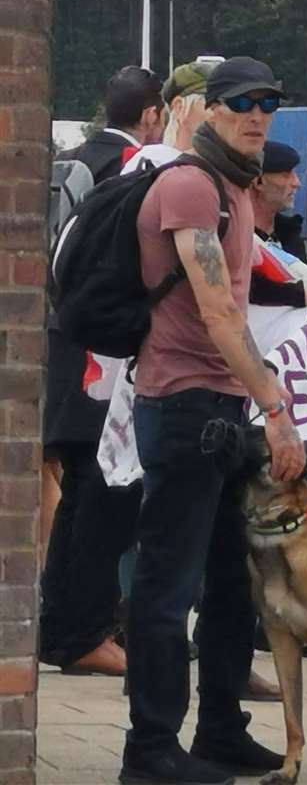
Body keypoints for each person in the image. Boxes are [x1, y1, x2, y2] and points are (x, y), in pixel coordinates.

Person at [123, 56, 307, 784]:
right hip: (182, 406)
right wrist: (277, 409)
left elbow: (242, 305)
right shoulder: (190, 188)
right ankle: (150, 751)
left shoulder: (232, 187)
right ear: (209, 109)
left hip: (221, 407)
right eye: (241, 103)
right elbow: (216, 311)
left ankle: (221, 730)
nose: (257, 115)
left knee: (235, 582)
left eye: (268, 102)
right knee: (168, 586)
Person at [40, 65, 165, 678]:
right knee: (108, 500)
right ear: (150, 116)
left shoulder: (72, 161)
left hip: (65, 351)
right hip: (106, 363)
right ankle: (86, 630)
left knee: (75, 501)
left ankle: (58, 626)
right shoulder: (138, 170)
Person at [251, 141, 307, 261]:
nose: (296, 183)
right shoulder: (235, 240)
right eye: (286, 175)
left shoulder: (291, 237)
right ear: (258, 182)